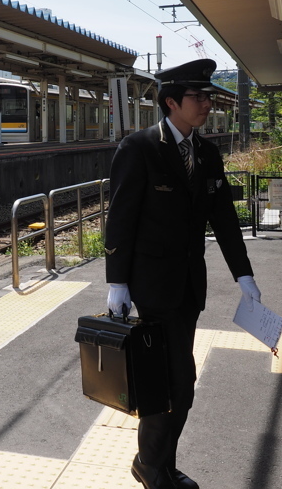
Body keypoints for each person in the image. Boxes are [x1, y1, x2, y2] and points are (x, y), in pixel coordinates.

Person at [104, 59, 260, 489]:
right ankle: (152, 467)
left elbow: (224, 218)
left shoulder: (207, 154)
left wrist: (242, 275)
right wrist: (116, 280)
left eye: (208, 96)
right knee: (170, 383)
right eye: (199, 97)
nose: (207, 103)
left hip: (189, 288)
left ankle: (158, 465)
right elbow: (120, 219)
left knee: (177, 384)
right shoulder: (139, 149)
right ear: (171, 102)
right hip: (150, 288)